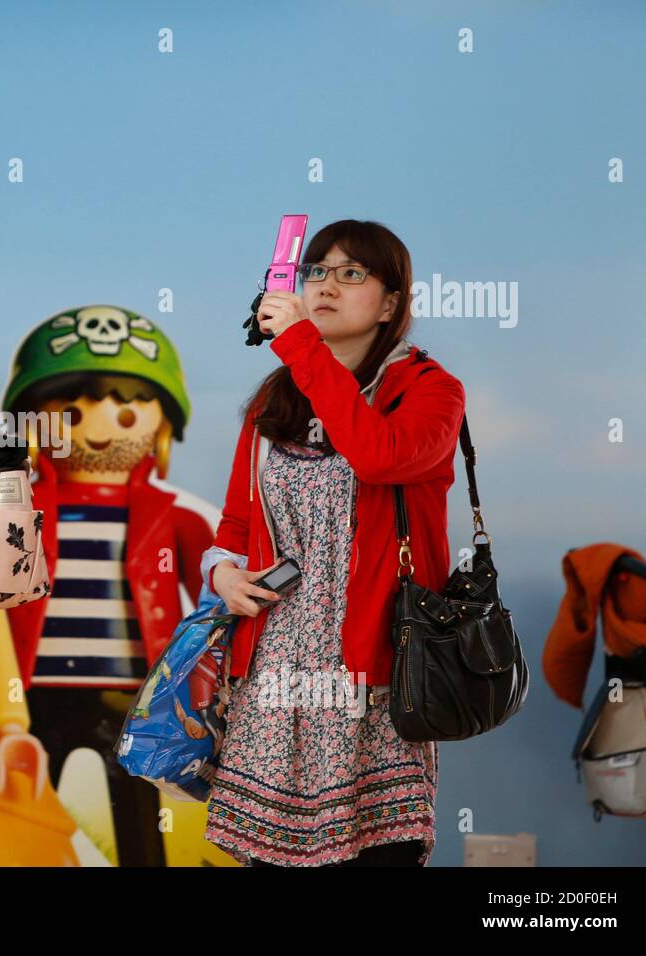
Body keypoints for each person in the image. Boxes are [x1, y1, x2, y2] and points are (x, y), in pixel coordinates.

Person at [200, 220, 467, 867]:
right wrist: (223, 575)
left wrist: (297, 345)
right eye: (315, 270)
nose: (326, 285)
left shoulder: (431, 391)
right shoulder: (274, 399)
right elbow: (236, 525)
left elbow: (378, 455)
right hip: (275, 679)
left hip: (373, 674)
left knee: (378, 856)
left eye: (352, 274)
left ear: (391, 303)